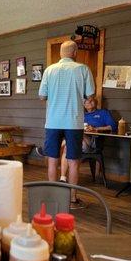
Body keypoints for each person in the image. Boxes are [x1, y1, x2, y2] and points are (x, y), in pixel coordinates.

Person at [38, 40, 95, 207]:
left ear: (60, 53)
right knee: (73, 161)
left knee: (53, 159)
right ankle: (72, 198)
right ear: (75, 52)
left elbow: (42, 96)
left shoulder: (49, 70)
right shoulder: (83, 69)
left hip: (53, 121)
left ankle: (53, 197)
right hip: (74, 121)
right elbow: (90, 96)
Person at [59, 97, 117, 181]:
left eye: (91, 100)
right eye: (86, 101)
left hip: (94, 143)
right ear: (83, 105)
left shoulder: (103, 113)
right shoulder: (81, 115)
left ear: (96, 102)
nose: (89, 102)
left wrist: (96, 129)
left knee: (74, 137)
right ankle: (63, 178)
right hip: (80, 142)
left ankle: (54, 148)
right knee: (67, 147)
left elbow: (113, 126)